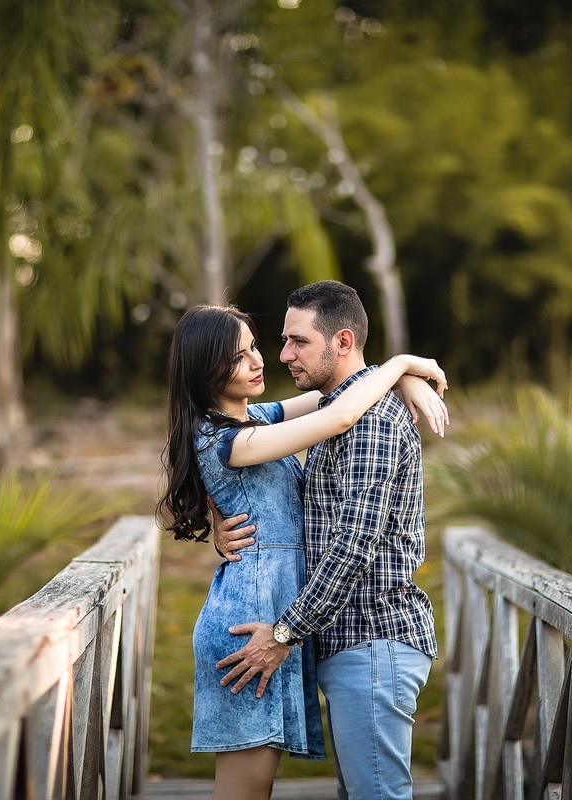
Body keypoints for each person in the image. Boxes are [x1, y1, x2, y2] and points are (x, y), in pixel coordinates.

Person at [158, 304, 447, 800]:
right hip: (251, 626)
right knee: (244, 795)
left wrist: (404, 381)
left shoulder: (253, 418)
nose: (260, 360)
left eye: (253, 346)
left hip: (278, 618)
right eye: (238, 356)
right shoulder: (228, 440)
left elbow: (333, 390)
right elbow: (340, 414)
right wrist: (403, 363)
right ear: (205, 369)